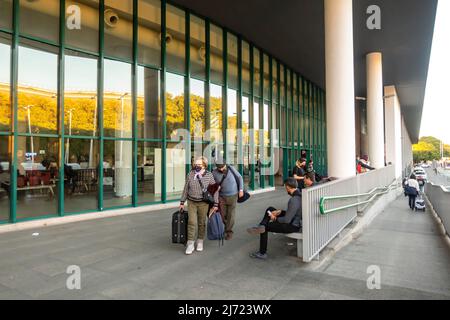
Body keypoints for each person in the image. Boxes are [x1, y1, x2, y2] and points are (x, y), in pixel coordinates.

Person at [246, 178, 302, 260]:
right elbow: (293, 212)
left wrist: (275, 218)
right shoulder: (299, 196)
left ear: (288, 187)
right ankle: (261, 225)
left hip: (292, 226)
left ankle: (262, 253)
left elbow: (287, 220)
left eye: (285, 186)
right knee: (270, 209)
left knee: (266, 227)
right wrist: (281, 212)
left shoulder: (294, 200)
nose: (285, 188)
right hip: (294, 221)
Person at [180, 156, 219, 255]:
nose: (197, 166)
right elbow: (186, 188)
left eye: (199, 164)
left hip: (203, 203)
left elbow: (214, 190)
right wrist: (182, 202)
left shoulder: (209, 175)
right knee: (191, 222)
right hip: (191, 202)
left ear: (204, 165)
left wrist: (216, 203)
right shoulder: (190, 174)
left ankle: (200, 241)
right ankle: (190, 243)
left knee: (201, 223)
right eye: (195, 164)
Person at [212, 161, 244, 240]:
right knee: (222, 215)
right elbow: (212, 184)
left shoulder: (231, 169)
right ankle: (226, 227)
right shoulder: (214, 172)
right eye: (219, 168)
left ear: (225, 164)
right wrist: (216, 187)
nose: (221, 169)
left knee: (231, 215)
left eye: (222, 167)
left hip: (233, 195)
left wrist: (241, 190)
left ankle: (229, 231)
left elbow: (240, 177)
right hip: (221, 196)